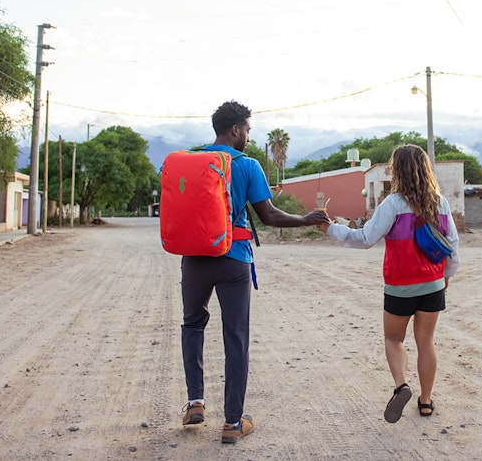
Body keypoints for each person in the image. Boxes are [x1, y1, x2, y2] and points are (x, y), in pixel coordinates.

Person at [180, 100, 330, 444]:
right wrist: (306, 219)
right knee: (236, 337)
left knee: (192, 325)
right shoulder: (248, 166)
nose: (248, 135)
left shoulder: (191, 162)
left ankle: (195, 403)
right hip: (233, 259)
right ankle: (233, 422)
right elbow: (270, 216)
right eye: (247, 129)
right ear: (235, 130)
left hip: (194, 259)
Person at [323, 144, 460, 423]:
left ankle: (401, 386)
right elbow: (453, 245)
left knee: (393, 339)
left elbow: (365, 239)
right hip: (432, 284)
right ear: (425, 169)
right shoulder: (441, 203)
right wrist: (446, 275)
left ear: (396, 171)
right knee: (426, 343)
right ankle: (425, 401)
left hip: (400, 286)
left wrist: (329, 228)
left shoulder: (393, 204)